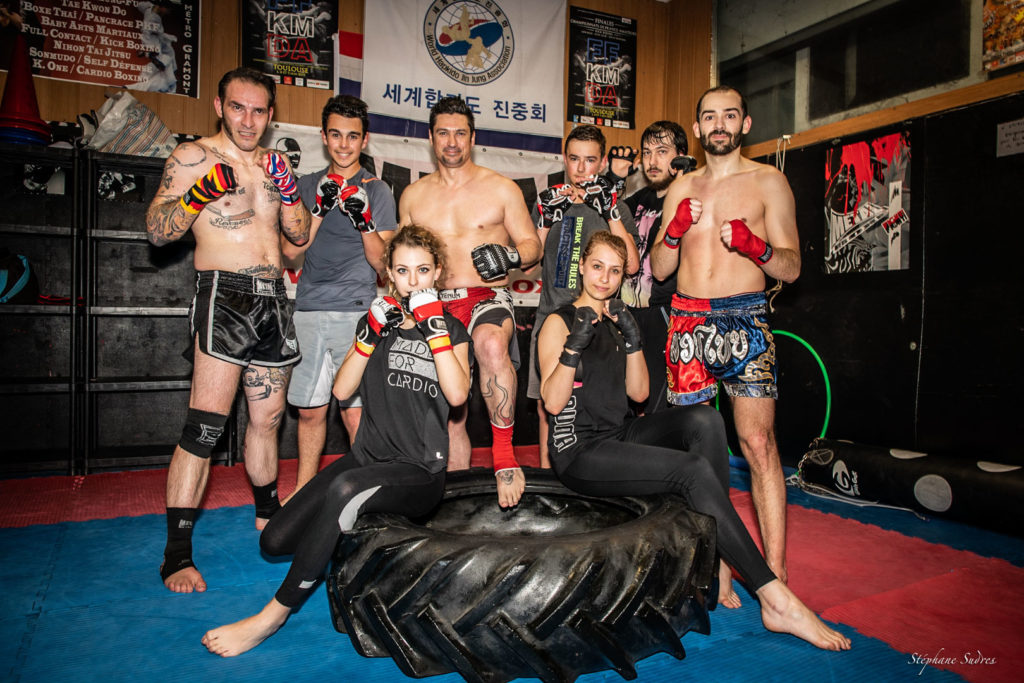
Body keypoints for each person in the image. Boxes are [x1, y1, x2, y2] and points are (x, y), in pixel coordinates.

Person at [537, 232, 849, 651]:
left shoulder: (617, 320)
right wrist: (574, 346)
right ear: (581, 267)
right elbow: (554, 403)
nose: (605, 278)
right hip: (578, 452)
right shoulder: (558, 322)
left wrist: (631, 340)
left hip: (617, 433)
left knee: (705, 419)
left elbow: (640, 396)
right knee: (689, 471)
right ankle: (773, 597)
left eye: (615, 271)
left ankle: (717, 556)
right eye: (597, 267)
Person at [201, 225, 472, 657]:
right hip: (368, 457)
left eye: (423, 270)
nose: (413, 280)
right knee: (274, 540)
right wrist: (366, 336)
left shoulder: (453, 331)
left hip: (419, 472)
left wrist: (434, 325)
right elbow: (344, 391)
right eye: (402, 270)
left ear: (438, 272)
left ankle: (272, 616)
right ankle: (343, 547)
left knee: (347, 491)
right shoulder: (378, 325)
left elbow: (458, 395)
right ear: (389, 275)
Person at [146, 67, 311, 594]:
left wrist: (290, 194)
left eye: (259, 110)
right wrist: (198, 195)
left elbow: (298, 237)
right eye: (238, 107)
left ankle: (269, 517)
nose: (248, 119)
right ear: (219, 106)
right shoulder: (193, 157)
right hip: (224, 294)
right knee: (205, 427)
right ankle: (176, 556)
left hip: (273, 297)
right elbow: (156, 229)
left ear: (270, 114)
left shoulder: (271, 164)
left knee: (269, 418)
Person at [650, 85, 801, 583]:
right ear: (696, 128)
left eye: (729, 116)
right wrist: (672, 232)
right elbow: (659, 265)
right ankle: (713, 563)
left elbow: (793, 267)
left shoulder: (768, 181)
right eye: (709, 116)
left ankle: (773, 573)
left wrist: (756, 247)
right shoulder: (681, 186)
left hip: (746, 317)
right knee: (696, 451)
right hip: (688, 319)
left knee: (758, 442)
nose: (719, 124)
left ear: (745, 124)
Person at [398, 96, 541, 508]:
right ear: (430, 138)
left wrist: (513, 256)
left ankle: (503, 456)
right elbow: (401, 256)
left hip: (487, 294)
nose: (452, 141)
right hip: (434, 300)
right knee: (450, 403)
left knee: (492, 345)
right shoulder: (414, 196)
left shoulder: (501, 188)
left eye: (460, 132)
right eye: (443, 132)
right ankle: (453, 491)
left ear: (473, 137)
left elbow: (531, 245)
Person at [282, 95, 397, 497]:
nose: (344, 144)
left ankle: (367, 498)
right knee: (310, 413)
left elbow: (383, 265)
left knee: (356, 416)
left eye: (352, 136)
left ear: (364, 140)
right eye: (336, 135)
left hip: (357, 314)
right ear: (323, 137)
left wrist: (364, 220)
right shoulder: (305, 186)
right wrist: (316, 209)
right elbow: (291, 253)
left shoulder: (378, 190)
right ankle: (302, 495)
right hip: (310, 309)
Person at [528, 124, 640, 468]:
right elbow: (531, 265)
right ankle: (550, 485)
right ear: (564, 158)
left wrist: (609, 210)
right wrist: (545, 218)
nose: (580, 168)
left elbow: (632, 264)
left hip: (600, 323)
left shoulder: (614, 206)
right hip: (552, 318)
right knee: (548, 407)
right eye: (574, 159)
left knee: (598, 402)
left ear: (603, 162)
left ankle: (596, 476)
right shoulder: (548, 200)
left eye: (590, 160)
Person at [605, 121, 694, 415]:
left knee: (658, 403)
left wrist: (686, 182)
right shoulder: (639, 200)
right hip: (627, 312)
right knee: (622, 402)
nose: (652, 161)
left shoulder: (687, 201)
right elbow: (606, 215)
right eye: (646, 153)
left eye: (662, 151)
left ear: (680, 156)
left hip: (663, 313)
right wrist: (614, 179)